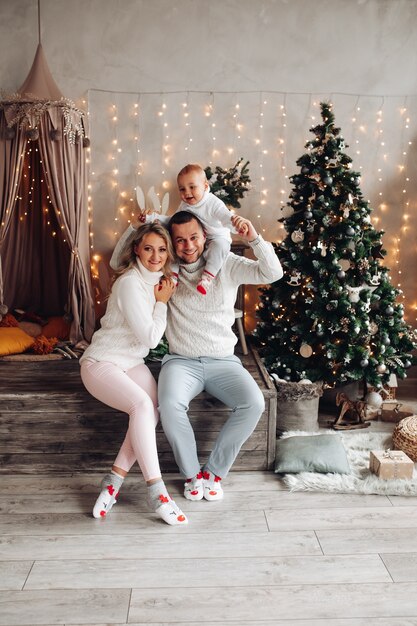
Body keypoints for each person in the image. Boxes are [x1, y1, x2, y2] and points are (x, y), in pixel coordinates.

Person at [111, 210, 283, 502]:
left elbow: (273, 273)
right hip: (181, 361)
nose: (187, 246)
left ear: (206, 236)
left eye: (194, 237)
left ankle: (213, 473)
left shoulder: (226, 264)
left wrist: (253, 238)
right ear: (172, 244)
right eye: (179, 240)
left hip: (223, 361)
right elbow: (117, 263)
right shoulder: (168, 268)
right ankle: (192, 475)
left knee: (254, 403)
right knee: (168, 405)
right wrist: (137, 225)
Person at [80, 222, 188, 526]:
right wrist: (162, 304)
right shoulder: (129, 283)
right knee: (140, 406)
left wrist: (161, 297)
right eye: (149, 248)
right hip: (102, 362)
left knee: (152, 409)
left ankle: (112, 482)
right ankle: (158, 492)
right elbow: (151, 339)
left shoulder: (157, 281)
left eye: (162, 249)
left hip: (131, 362)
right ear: (137, 250)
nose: (155, 255)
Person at [140, 163, 243, 295]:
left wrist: (236, 224)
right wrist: (152, 218)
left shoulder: (213, 203)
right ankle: (172, 277)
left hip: (217, 236)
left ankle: (207, 277)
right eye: (182, 189)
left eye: (192, 187)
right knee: (175, 246)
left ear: (205, 186)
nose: (187, 193)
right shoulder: (185, 205)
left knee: (219, 249)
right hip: (197, 238)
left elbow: (225, 216)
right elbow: (173, 221)